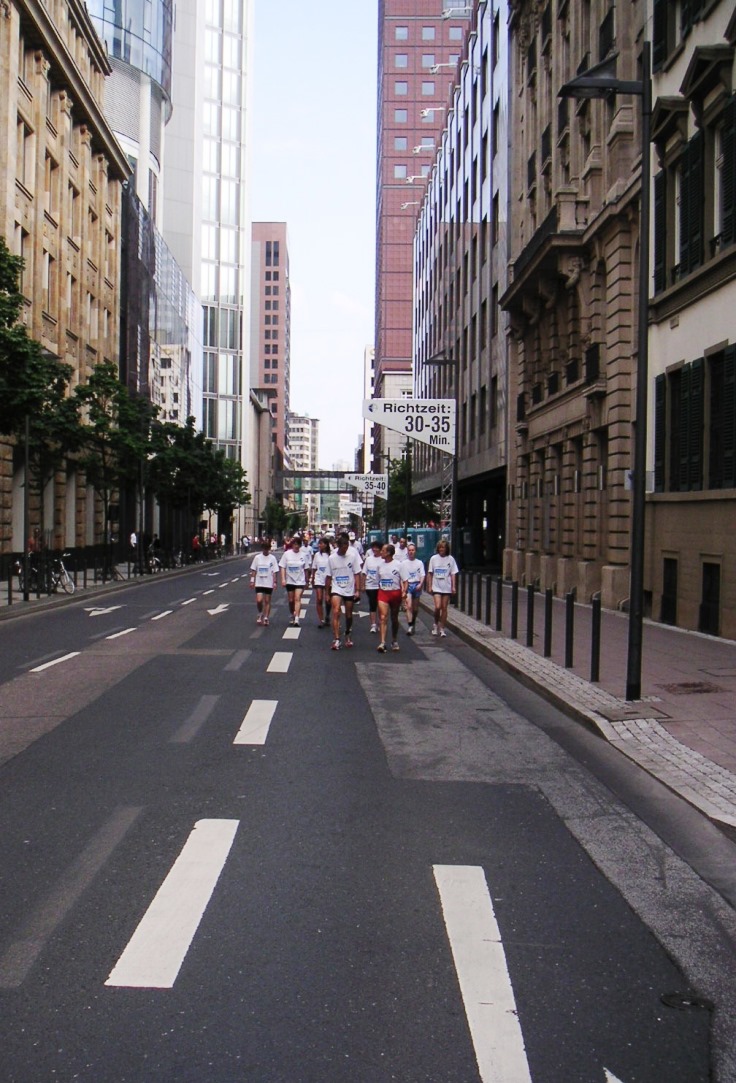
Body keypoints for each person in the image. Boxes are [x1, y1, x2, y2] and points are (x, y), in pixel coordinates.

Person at [325, 532, 363, 650]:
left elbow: (357, 573)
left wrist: (357, 590)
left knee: (348, 614)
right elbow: (328, 577)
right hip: (336, 588)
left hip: (349, 588)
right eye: (343, 548)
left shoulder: (352, 557)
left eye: (347, 548)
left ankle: (347, 632)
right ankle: (336, 639)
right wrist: (327, 593)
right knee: (336, 611)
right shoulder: (331, 558)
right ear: (338, 547)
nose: (345, 551)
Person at [426, 538, 459, 638]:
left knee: (444, 608)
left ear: (446, 549)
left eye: (443, 547)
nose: (441, 549)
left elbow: (453, 574)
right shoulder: (433, 559)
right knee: (437, 606)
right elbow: (430, 573)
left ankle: (442, 627)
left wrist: (453, 586)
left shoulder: (451, 559)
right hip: (436, 586)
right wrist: (429, 585)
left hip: (446, 586)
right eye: (440, 547)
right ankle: (435, 624)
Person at [279, 534, 312, 625]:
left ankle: (297, 618)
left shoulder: (303, 555)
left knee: (297, 598)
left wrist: (307, 580)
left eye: (298, 544)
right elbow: (282, 567)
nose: (296, 546)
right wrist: (283, 579)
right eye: (294, 544)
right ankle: (292, 614)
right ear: (292, 545)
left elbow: (306, 569)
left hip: (299, 580)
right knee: (291, 600)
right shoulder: (287, 554)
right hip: (290, 580)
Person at [376, 542, 403, 653]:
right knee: (383, 617)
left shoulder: (398, 565)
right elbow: (378, 580)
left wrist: (404, 593)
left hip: (395, 593)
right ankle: (382, 642)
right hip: (383, 593)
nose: (380, 552)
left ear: (388, 553)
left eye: (382, 550)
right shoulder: (380, 566)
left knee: (394, 618)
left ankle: (394, 639)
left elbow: (404, 580)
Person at [250, 539, 279, 624]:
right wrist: (252, 581)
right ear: (262, 548)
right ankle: (260, 613)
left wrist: (275, 582)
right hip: (259, 582)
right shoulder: (257, 558)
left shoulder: (272, 558)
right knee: (259, 600)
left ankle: (266, 617)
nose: (266, 550)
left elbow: (274, 571)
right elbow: (254, 570)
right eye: (264, 548)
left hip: (268, 582)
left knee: (267, 601)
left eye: (267, 548)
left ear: (269, 548)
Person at [400, 541, 425, 636]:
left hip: (417, 584)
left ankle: (413, 621)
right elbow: (401, 577)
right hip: (408, 585)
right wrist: (403, 588)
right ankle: (410, 626)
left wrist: (421, 584)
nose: (411, 552)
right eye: (409, 550)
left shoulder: (419, 563)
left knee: (415, 609)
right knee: (409, 606)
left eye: (413, 550)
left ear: (415, 551)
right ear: (407, 552)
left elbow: (422, 575)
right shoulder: (403, 563)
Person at [362, 538, 384, 634]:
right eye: (373, 548)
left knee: (380, 606)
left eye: (377, 548)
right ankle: (373, 625)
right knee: (372, 605)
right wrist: (362, 585)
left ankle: (380, 623)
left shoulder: (383, 559)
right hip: (370, 586)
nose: (374, 550)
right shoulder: (369, 559)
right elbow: (364, 573)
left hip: (380, 586)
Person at [311, 536, 332, 627]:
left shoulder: (331, 555)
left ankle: (327, 615)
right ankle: (321, 619)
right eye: (319, 544)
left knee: (328, 600)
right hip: (319, 579)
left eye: (321, 544)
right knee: (319, 599)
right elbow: (314, 568)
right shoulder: (317, 555)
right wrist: (312, 579)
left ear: (326, 545)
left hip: (328, 579)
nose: (319, 545)